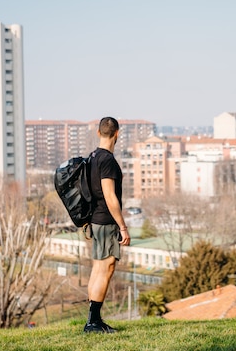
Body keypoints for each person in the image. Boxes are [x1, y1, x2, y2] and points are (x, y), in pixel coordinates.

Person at [84, 116, 131, 334]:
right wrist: (122, 226)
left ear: (98, 133)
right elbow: (110, 197)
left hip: (95, 220)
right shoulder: (107, 161)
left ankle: (93, 320)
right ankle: (93, 323)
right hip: (106, 220)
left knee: (99, 268)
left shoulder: (92, 157)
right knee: (106, 267)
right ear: (117, 134)